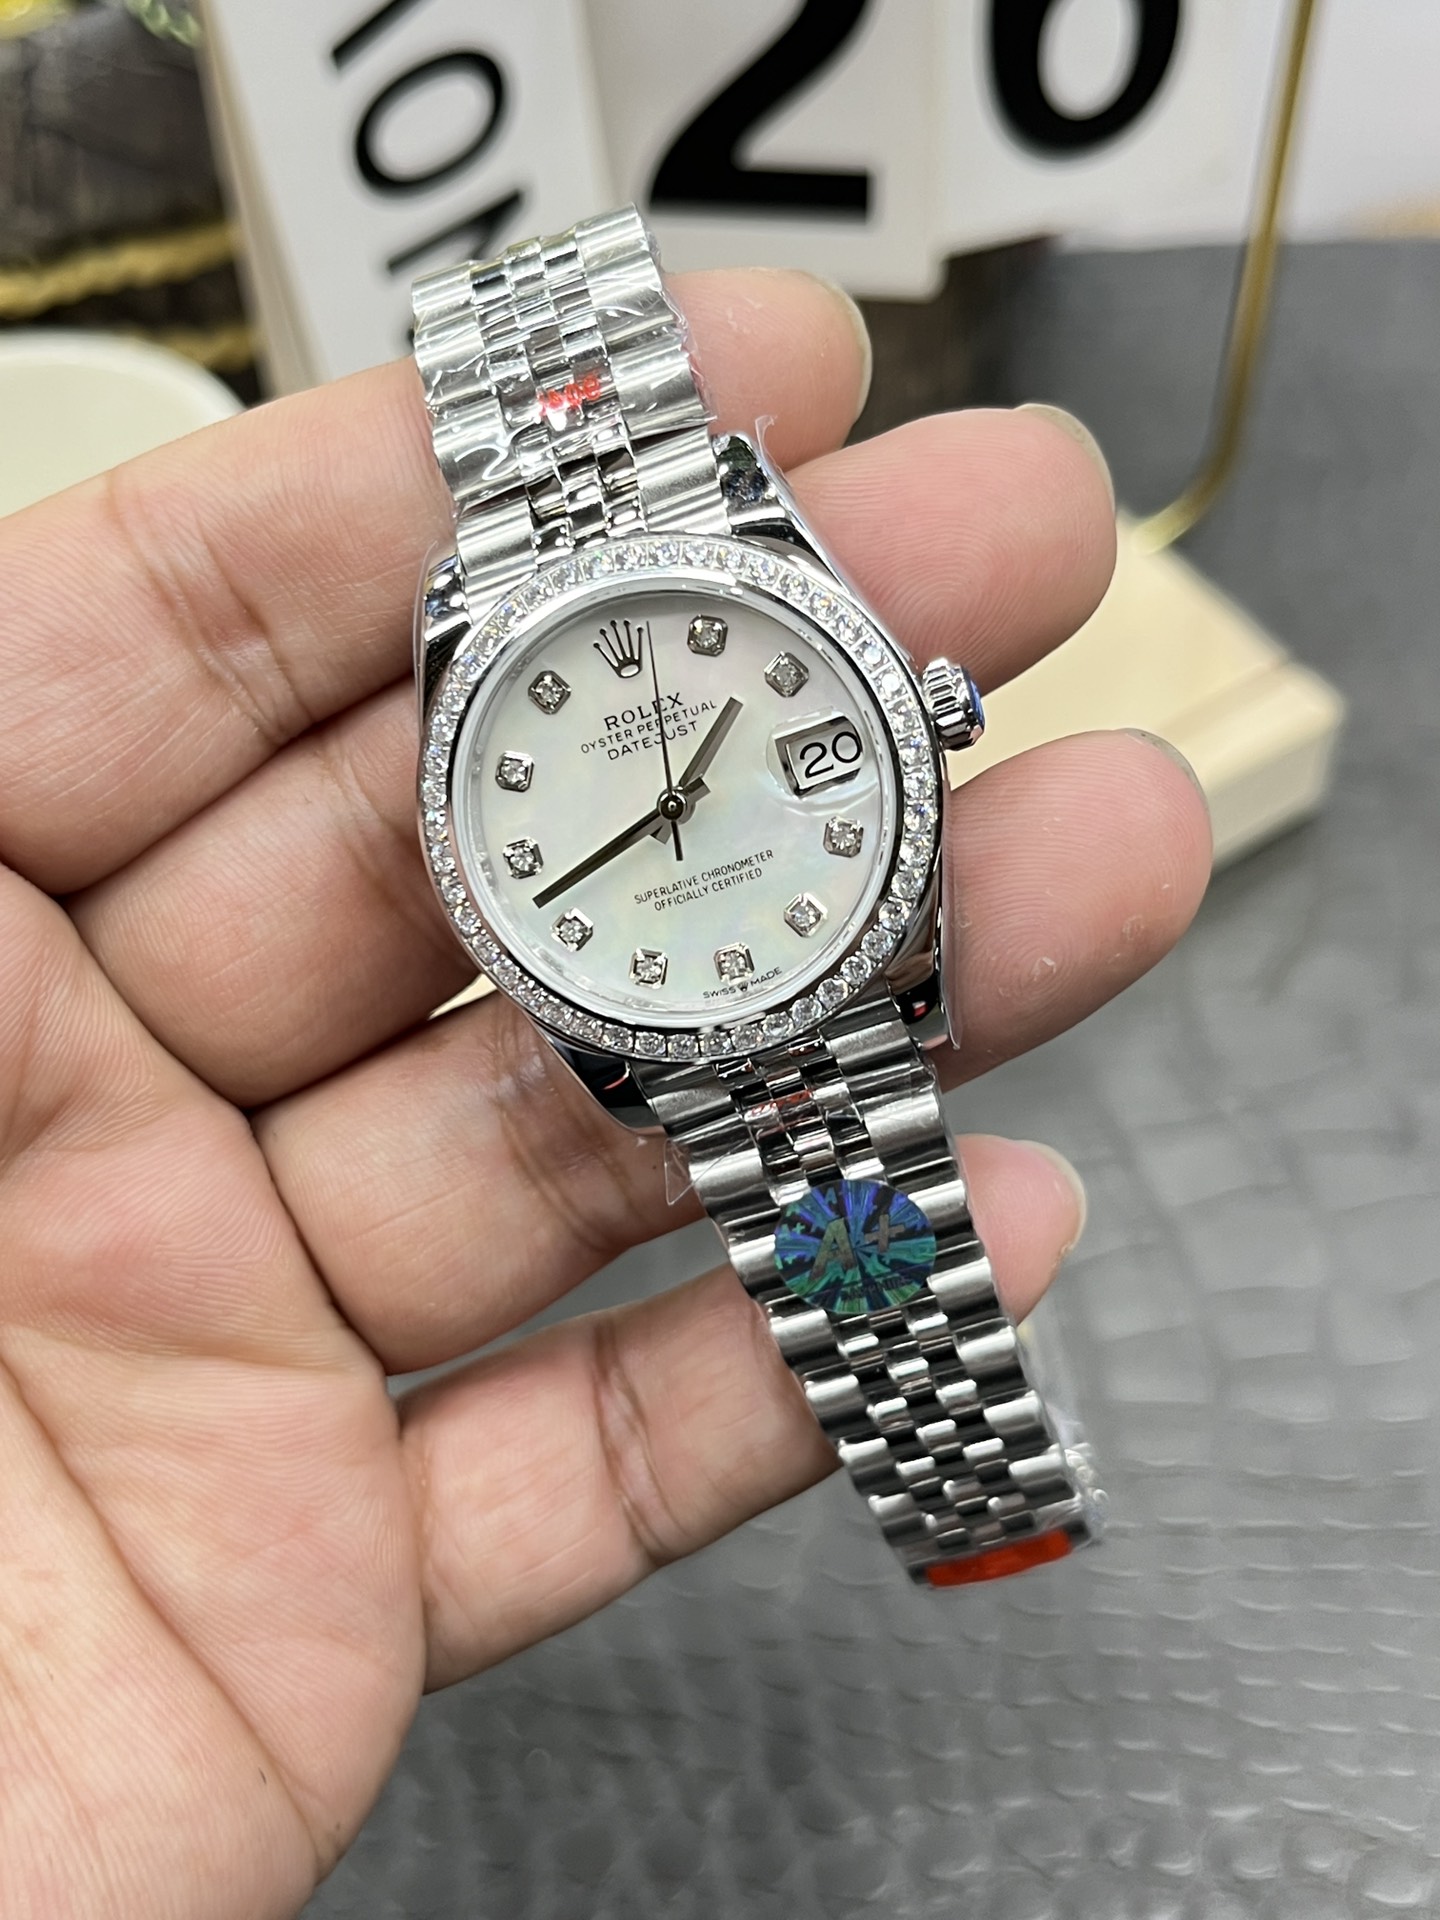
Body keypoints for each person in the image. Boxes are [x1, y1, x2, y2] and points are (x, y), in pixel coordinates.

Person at [0, 268, 1211, 1915]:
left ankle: (978, 1493)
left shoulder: (742, 539)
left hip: (812, 977)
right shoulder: (519, 692)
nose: (673, 820)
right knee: (886, 1258)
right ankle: (977, 1494)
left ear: (919, 719)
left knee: (900, 1242)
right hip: (694, 1015)